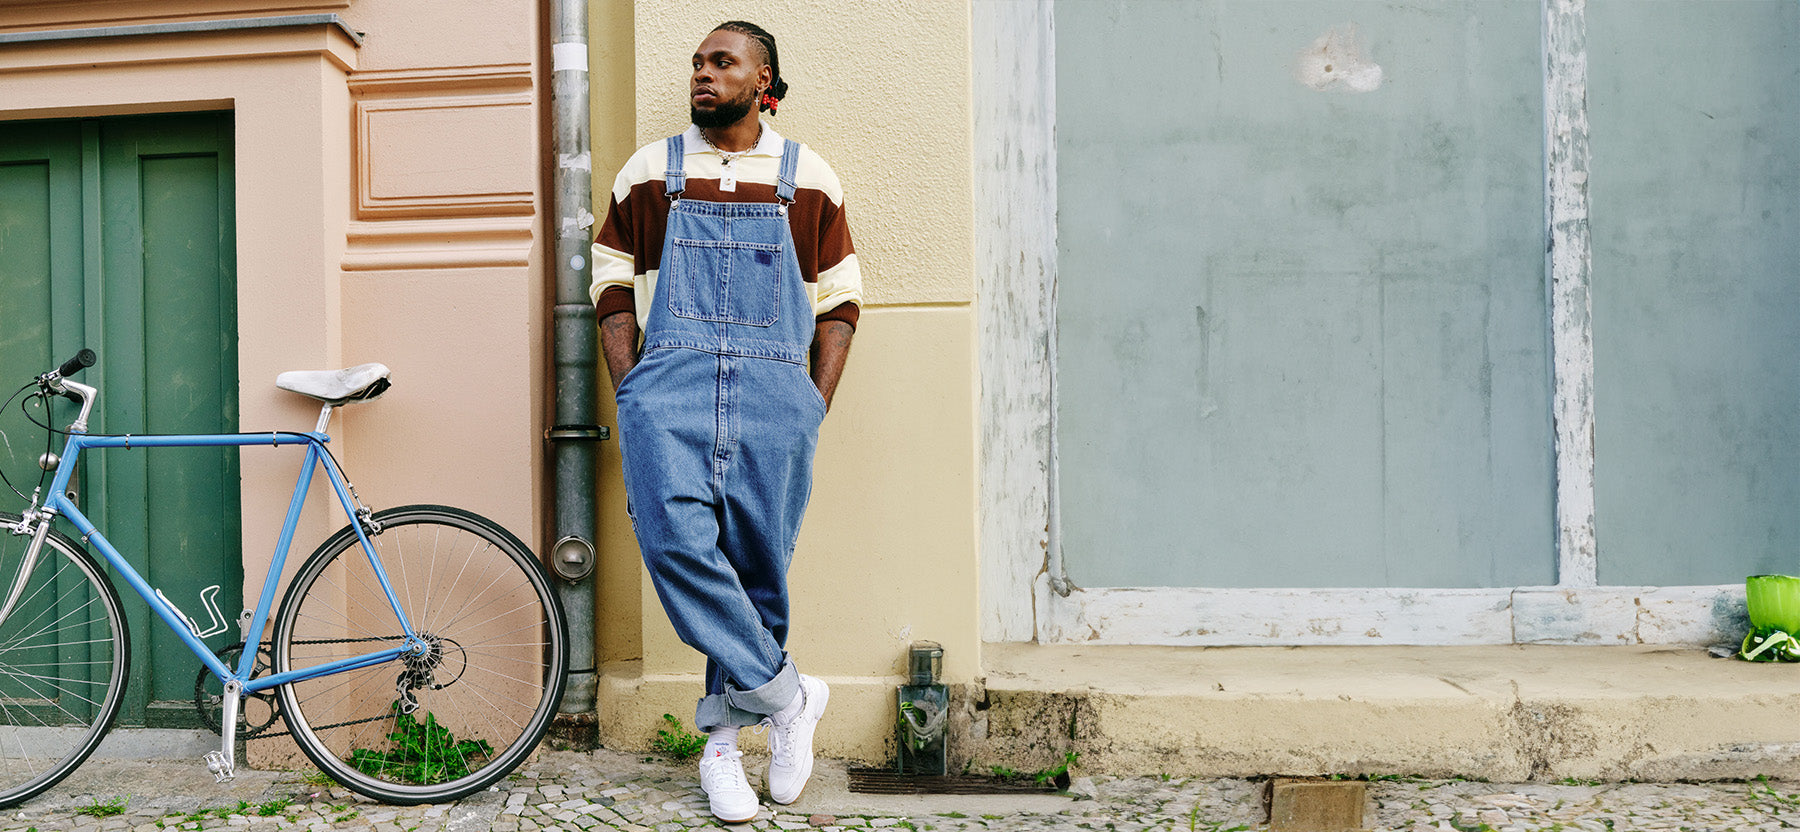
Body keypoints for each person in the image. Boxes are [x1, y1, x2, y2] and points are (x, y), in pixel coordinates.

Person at [588, 20, 861, 824]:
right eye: (697, 63)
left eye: (721, 62)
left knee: (757, 567)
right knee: (675, 545)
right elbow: (609, 286)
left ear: (763, 78)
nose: (702, 75)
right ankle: (788, 695)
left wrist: (812, 402)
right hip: (665, 388)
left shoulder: (809, 176)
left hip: (777, 391)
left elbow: (840, 304)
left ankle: (723, 751)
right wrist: (630, 388)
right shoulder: (650, 172)